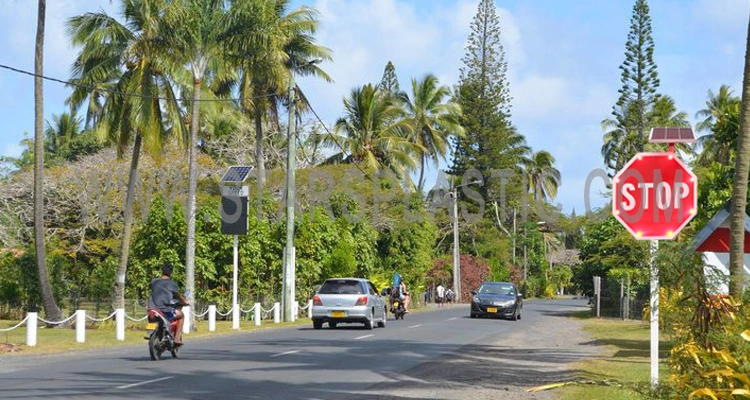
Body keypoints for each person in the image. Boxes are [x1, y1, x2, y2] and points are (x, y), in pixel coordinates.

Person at [148, 264, 188, 345]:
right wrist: (185, 302)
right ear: (171, 273)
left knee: (151, 319)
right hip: (165, 311)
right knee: (181, 315)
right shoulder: (171, 284)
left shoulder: (154, 281)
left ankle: (153, 333)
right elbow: (178, 296)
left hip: (152, 309)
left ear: (162, 272)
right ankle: (176, 338)